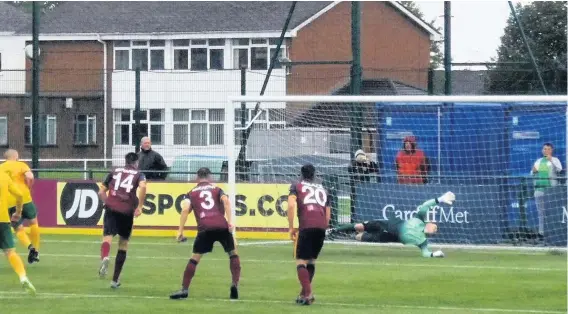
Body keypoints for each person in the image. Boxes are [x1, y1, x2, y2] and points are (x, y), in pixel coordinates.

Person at [170, 167, 241, 300]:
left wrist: (180, 231)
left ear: (197, 178)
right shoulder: (217, 189)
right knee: (233, 253)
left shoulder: (191, 193)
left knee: (195, 258)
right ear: (210, 177)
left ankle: (184, 289)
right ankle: (234, 285)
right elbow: (226, 202)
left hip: (205, 228)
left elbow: (185, 209)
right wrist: (230, 222)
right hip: (221, 225)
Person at [327, 192, 456, 258]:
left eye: (435, 231)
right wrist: (440, 199)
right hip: (386, 224)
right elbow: (426, 205)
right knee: (359, 226)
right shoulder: (420, 218)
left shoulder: (422, 242)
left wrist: (434, 255)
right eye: (435, 226)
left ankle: (345, 236)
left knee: (360, 237)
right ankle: (334, 230)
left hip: (386, 237)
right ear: (429, 223)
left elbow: (425, 253)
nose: (434, 229)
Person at [97, 152, 147, 289]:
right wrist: (140, 207)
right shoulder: (139, 174)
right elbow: (143, 186)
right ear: (136, 162)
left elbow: (101, 192)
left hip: (112, 208)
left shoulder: (114, 171)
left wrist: (107, 202)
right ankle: (114, 280)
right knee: (123, 243)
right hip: (127, 210)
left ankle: (105, 257)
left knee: (107, 236)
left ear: (125, 161)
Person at [288, 164, 330, 306]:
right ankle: (303, 294)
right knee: (311, 261)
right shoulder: (323, 189)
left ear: (301, 174)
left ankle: (309, 293)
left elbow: (291, 205)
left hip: (307, 226)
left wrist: (291, 227)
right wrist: (323, 227)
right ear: (314, 174)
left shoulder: (296, 186)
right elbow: (328, 213)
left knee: (300, 261)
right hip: (321, 227)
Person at [0, 149, 40, 264]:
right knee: (33, 222)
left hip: (8, 201)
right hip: (23, 197)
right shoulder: (21, 165)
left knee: (17, 227)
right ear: (16, 156)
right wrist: (29, 186)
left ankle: (29, 246)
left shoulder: (1, 168)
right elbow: (30, 176)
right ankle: (36, 250)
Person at [0, 171, 36, 295]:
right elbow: (20, 195)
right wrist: (18, 212)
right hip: (3, 219)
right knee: (10, 252)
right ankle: (23, 277)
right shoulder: (4, 176)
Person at [531, 143, 563, 242]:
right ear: (542, 150)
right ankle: (541, 234)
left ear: (551, 150)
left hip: (551, 191)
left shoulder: (555, 160)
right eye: (544, 149)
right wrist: (533, 171)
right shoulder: (538, 161)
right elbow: (532, 173)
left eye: (548, 149)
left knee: (552, 213)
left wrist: (551, 161)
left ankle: (553, 233)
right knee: (541, 213)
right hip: (539, 190)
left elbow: (559, 170)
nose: (546, 151)